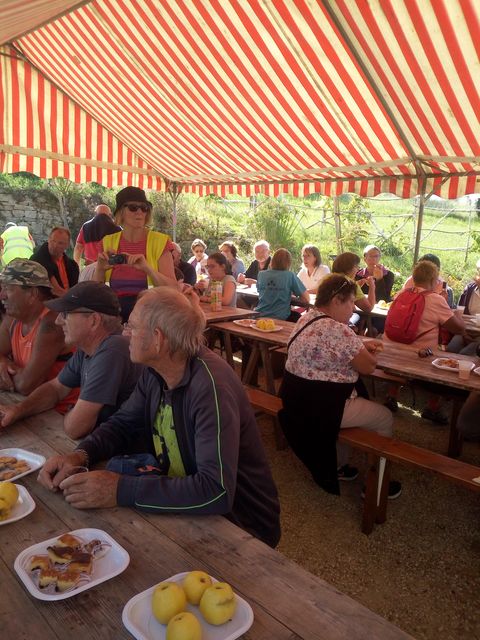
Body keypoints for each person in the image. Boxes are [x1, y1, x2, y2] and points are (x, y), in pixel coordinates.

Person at [37, 287, 281, 548]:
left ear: (158, 338)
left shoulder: (211, 389)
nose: (125, 333)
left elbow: (215, 491)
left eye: (132, 326)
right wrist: (79, 455)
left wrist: (119, 489)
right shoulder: (156, 372)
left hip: (241, 526)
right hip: (187, 507)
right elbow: (121, 425)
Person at [279, 273, 400, 498]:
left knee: (354, 407)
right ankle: (378, 483)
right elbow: (368, 367)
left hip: (295, 401)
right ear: (336, 301)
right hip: (321, 408)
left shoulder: (307, 318)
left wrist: (359, 346)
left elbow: (332, 348)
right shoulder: (338, 330)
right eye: (351, 302)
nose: (354, 308)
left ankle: (339, 466)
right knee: (385, 417)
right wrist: (365, 352)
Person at [0, 282, 143, 438]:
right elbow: (55, 388)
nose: (58, 321)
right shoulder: (88, 348)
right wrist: (17, 410)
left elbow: (75, 428)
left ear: (93, 321)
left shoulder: (113, 349)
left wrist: (71, 412)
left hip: (126, 454)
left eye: (66, 313)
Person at [383, 260, 467, 423]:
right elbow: (458, 329)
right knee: (445, 364)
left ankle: (391, 396)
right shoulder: (436, 299)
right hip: (419, 357)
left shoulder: (402, 294)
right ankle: (432, 408)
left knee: (404, 348)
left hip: (390, 351)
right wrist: (455, 313)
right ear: (433, 281)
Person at [0, 259, 78, 411]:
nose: (2, 295)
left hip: (60, 412)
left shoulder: (52, 323)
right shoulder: (13, 319)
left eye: (8, 289)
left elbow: (26, 385)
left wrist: (7, 374)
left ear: (32, 294)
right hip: (29, 405)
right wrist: (2, 363)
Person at [94, 186, 176, 322]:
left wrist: (148, 269)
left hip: (150, 315)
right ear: (121, 212)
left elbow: (174, 289)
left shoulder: (160, 241)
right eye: (133, 207)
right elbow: (96, 293)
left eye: (144, 208)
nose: (140, 212)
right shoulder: (107, 242)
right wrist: (100, 269)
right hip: (115, 315)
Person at [255, 248, 309, 322]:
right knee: (299, 318)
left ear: (272, 260)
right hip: (281, 316)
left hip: (260, 314)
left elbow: (260, 291)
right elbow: (306, 298)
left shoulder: (261, 274)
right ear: (288, 263)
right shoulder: (290, 275)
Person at [30, 227, 79, 296]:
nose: (55, 245)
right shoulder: (38, 260)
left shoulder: (72, 265)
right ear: (48, 240)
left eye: (60, 243)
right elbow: (56, 290)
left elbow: (75, 289)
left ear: (67, 245)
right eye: (53, 241)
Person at [447, 259, 480, 355]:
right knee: (451, 350)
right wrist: (463, 332)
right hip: (465, 331)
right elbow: (459, 312)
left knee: (465, 354)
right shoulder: (470, 289)